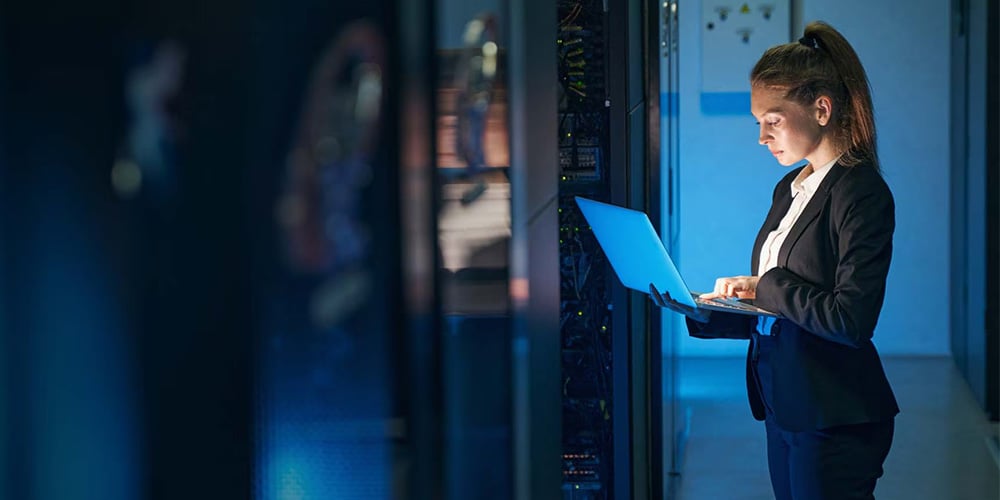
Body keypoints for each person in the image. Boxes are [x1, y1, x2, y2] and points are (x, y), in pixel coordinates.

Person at [652, 21, 898, 500]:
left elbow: (851, 319)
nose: (762, 137)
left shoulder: (862, 193)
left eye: (773, 119)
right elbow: (785, 311)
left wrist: (766, 285)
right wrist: (705, 311)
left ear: (821, 109)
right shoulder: (791, 187)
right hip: (785, 402)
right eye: (758, 122)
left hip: (835, 416)